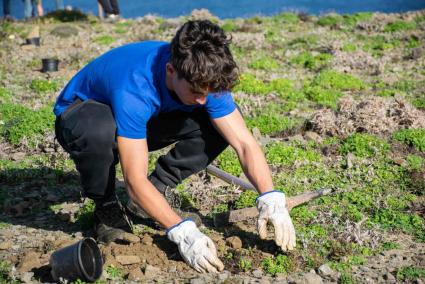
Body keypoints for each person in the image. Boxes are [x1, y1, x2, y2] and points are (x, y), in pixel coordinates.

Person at [53, 20, 296, 273]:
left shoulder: (204, 74)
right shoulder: (135, 87)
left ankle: (156, 190)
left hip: (145, 117)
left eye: (208, 93)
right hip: (84, 116)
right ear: (171, 70)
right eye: (195, 92)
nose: (203, 99)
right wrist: (182, 232)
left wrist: (271, 199)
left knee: (222, 124)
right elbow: (134, 181)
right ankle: (106, 206)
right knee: (98, 131)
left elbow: (245, 144)